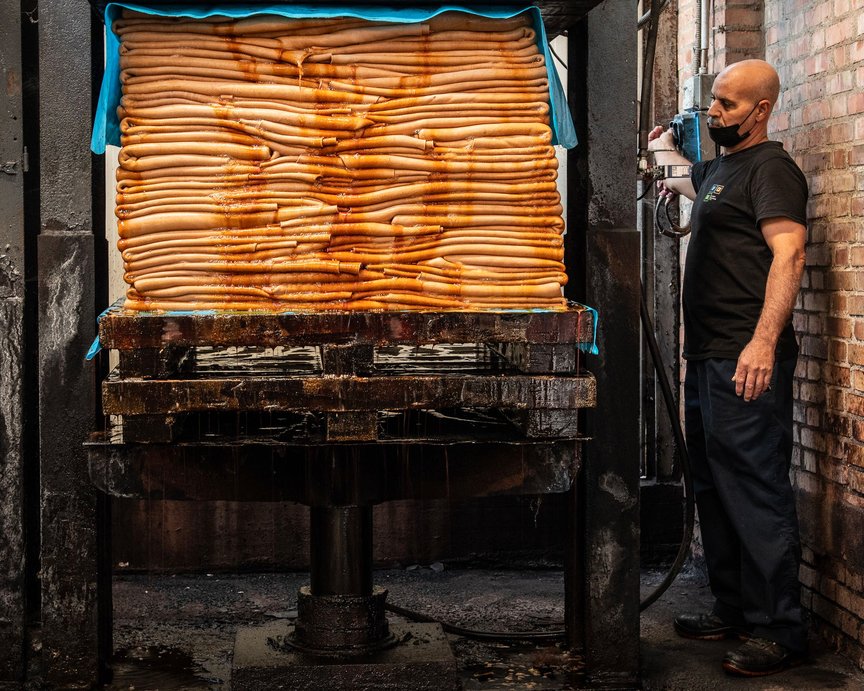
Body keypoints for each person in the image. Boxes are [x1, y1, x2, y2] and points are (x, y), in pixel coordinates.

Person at [647, 59, 809, 677]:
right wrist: (661, 146)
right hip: (709, 354)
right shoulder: (722, 171)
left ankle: (780, 631)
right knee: (714, 483)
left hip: (746, 359)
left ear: (760, 110)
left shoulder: (772, 169)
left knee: (754, 487)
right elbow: (686, 180)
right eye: (713, 103)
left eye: (726, 106)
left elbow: (788, 255)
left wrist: (762, 343)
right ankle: (735, 607)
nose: (713, 114)